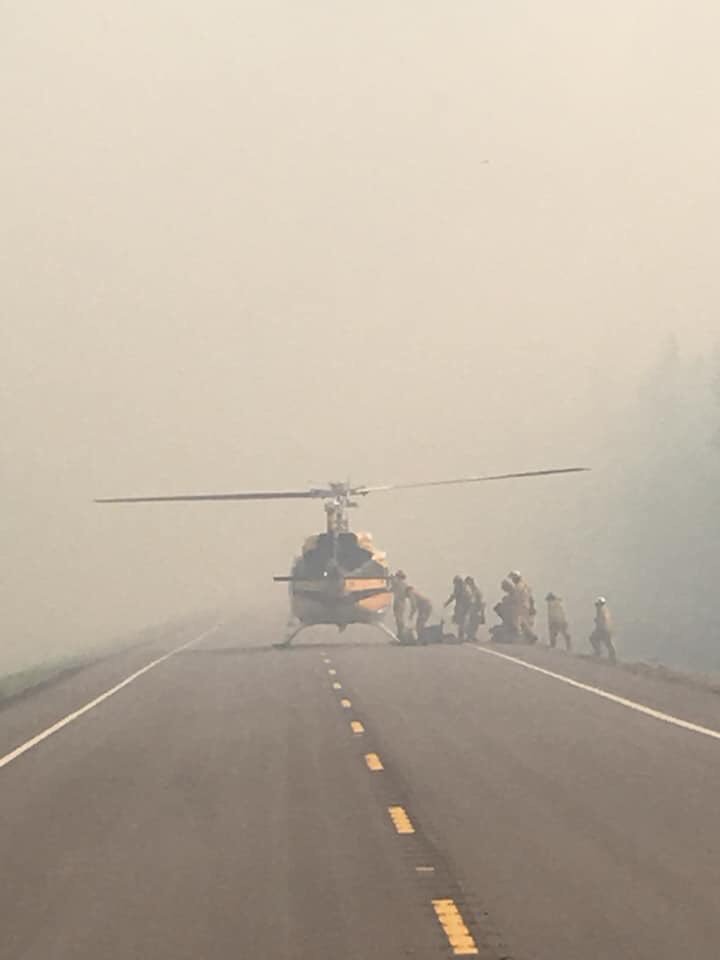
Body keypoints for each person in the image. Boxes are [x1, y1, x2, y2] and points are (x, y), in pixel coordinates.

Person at [508, 570, 538, 644]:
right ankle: (529, 638)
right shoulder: (525, 585)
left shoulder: (519, 587)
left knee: (521, 623)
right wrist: (532, 607)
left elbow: (516, 598)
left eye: (513, 578)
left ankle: (532, 636)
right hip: (525, 606)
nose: (512, 580)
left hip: (522, 607)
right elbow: (531, 598)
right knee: (524, 623)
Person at [490, 578, 521, 642]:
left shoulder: (514, 594)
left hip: (512, 616)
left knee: (500, 632)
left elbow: (514, 603)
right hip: (509, 617)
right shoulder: (511, 594)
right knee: (497, 631)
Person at [589, 597, 616, 662]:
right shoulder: (604, 610)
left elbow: (603, 620)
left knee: (594, 639)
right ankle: (612, 656)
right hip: (606, 629)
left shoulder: (601, 610)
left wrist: (598, 622)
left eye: (597, 604)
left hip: (603, 629)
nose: (596, 606)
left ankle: (599, 652)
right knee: (608, 643)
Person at [444, 575, 471, 641]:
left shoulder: (460, 588)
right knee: (461, 621)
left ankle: (461, 636)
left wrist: (447, 603)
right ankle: (462, 636)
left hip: (462, 606)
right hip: (464, 606)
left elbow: (454, 596)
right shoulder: (464, 588)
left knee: (461, 621)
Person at [464, 576, 486, 642]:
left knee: (473, 623)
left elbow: (475, 601)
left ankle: (470, 636)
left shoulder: (475, 591)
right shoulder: (473, 590)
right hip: (475, 608)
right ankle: (471, 636)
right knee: (472, 623)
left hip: (476, 608)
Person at [390, 570, 411, 638]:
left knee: (399, 619)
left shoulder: (399, 583)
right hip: (401, 602)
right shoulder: (404, 584)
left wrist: (391, 578)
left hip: (399, 602)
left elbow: (392, 587)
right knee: (398, 619)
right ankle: (400, 634)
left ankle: (401, 635)